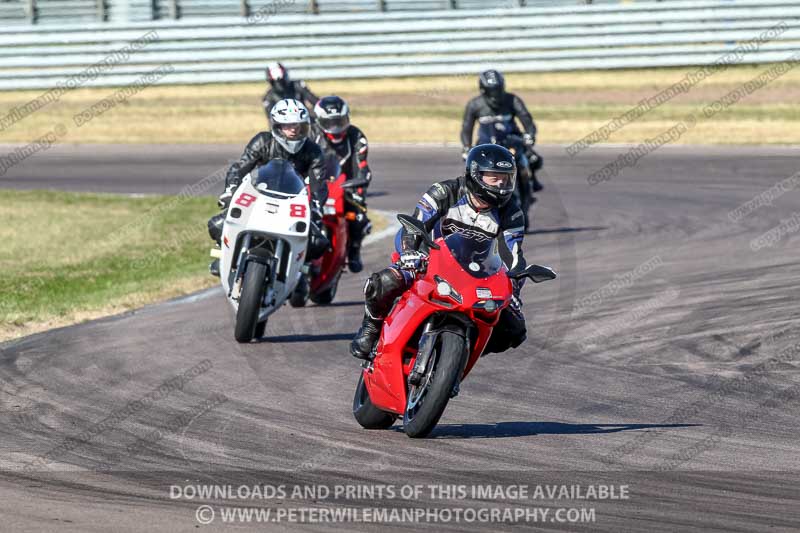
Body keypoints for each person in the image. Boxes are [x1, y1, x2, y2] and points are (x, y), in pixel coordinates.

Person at [350, 144, 528, 361]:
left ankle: (459, 355)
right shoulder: (444, 191)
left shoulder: (512, 213)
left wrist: (514, 290)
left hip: (475, 275)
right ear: (475, 174)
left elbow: (513, 255)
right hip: (428, 259)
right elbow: (416, 224)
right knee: (385, 281)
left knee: (515, 329)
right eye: (494, 178)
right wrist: (410, 254)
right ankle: (370, 328)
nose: (501, 185)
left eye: (506, 179)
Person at [208, 99, 327, 299]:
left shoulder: (313, 151)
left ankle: (300, 271)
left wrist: (315, 205)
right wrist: (230, 191)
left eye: (298, 125)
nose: (293, 130)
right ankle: (225, 255)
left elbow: (319, 184)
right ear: (277, 125)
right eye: (288, 125)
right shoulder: (262, 141)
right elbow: (239, 168)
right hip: (259, 196)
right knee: (217, 223)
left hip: (292, 202)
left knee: (319, 241)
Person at [311, 95, 372, 273]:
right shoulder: (311, 134)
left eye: (340, 121)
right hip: (315, 183)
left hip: (346, 185)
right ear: (320, 121)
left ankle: (354, 251)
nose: (336, 128)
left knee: (358, 217)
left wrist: (359, 186)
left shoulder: (357, 137)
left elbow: (361, 166)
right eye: (330, 123)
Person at [460, 69, 544, 193]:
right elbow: (467, 128)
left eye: (498, 90)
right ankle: (473, 192)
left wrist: (530, 135)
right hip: (485, 143)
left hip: (512, 140)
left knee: (534, 160)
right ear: (483, 90)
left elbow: (527, 119)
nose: (495, 95)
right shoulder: (474, 105)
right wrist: (467, 147)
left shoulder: (513, 100)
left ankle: (531, 180)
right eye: (491, 91)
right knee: (471, 166)